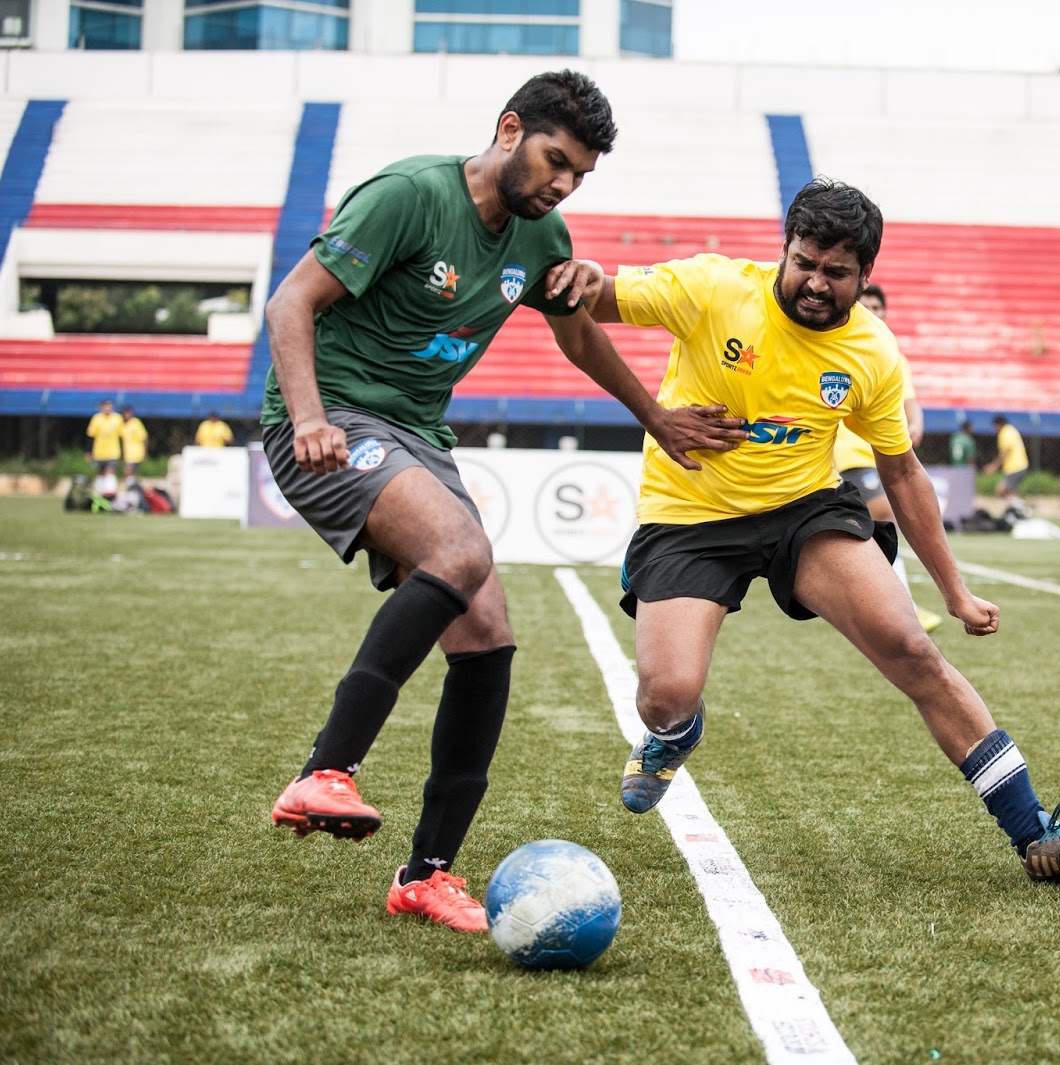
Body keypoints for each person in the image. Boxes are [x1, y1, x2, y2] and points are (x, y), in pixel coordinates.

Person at [259, 70, 745, 933]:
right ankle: (325, 770)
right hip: (333, 418)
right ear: (510, 129)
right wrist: (307, 418)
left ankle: (426, 874)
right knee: (461, 552)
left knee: (487, 629)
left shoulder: (542, 235)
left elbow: (580, 336)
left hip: (417, 433)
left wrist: (658, 417)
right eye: (557, 160)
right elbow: (291, 299)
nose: (564, 184)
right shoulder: (409, 195)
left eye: (580, 175)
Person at [556, 177, 1060, 884]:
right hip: (689, 512)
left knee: (911, 649)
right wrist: (583, 279)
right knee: (665, 695)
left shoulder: (872, 353)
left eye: (837, 271)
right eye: (805, 263)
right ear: (784, 250)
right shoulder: (713, 287)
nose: (817, 283)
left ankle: (1035, 833)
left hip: (804, 509)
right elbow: (597, 297)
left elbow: (902, 474)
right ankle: (675, 732)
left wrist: (954, 591)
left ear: (865, 274)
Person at [830, 283, 942, 633]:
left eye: (878, 308)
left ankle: (880, 608)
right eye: (866, 307)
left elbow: (909, 400)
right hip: (850, 452)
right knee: (884, 515)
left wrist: (916, 424)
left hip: (884, 453)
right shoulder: (837, 349)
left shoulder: (891, 355)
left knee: (863, 530)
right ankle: (904, 610)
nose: (873, 313)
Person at [981, 414, 1029, 518]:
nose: (995, 429)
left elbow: (1006, 451)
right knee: (1003, 490)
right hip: (1020, 465)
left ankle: (1021, 511)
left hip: (1015, 467)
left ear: (999, 424)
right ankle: (1015, 510)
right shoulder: (1011, 430)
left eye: (995, 426)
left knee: (1007, 492)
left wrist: (993, 466)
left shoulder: (1005, 433)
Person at [86, 399, 123, 487]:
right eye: (105, 406)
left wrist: (123, 451)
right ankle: (101, 491)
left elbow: (122, 437)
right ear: (101, 407)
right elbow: (91, 436)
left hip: (113, 451)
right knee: (101, 473)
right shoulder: (96, 418)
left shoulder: (118, 418)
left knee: (110, 472)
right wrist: (88, 451)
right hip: (99, 452)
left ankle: (110, 491)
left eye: (109, 406)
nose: (107, 408)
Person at [119, 406, 148, 482]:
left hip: (136, 453)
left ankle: (128, 486)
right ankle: (131, 486)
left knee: (128, 472)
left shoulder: (136, 423)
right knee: (131, 473)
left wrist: (145, 452)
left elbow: (144, 438)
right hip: (128, 454)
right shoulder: (122, 424)